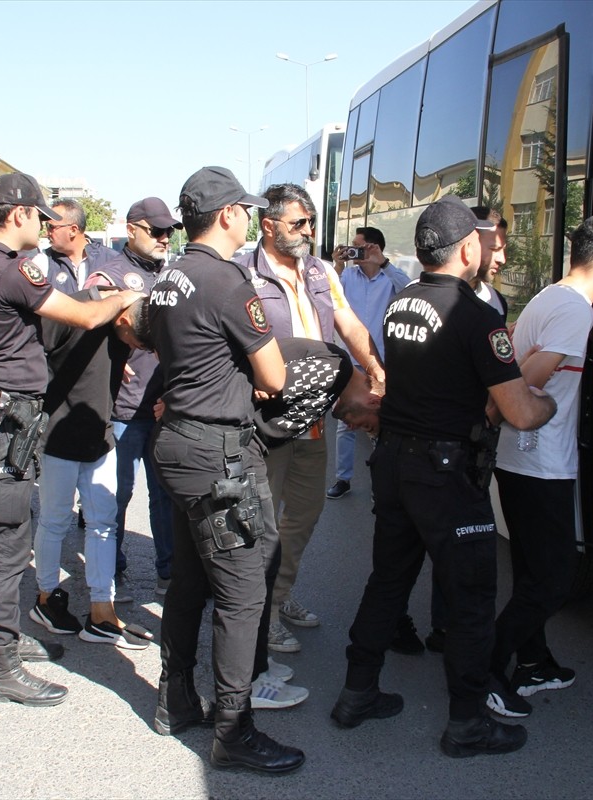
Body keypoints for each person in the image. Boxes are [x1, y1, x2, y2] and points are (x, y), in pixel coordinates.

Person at [331, 196, 557, 758]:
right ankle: (467, 723)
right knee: (471, 598)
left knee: (389, 580)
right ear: (465, 249)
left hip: (396, 463)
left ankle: (356, 693)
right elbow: (521, 411)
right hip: (447, 476)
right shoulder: (479, 318)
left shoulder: (401, 303)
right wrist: (546, 402)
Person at [0, 172, 140, 705]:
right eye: (39, 216)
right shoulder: (9, 270)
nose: (44, 225)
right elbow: (82, 313)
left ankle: (7, 640)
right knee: (7, 541)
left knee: (9, 534)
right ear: (19, 215)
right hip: (3, 418)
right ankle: (0, 665)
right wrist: (121, 294)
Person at [148, 166, 303, 774]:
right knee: (243, 590)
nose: (249, 218)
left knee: (191, 577)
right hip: (217, 453)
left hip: (178, 443)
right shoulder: (228, 280)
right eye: (245, 209)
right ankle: (234, 730)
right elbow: (274, 377)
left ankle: (175, 696)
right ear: (228, 216)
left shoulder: (170, 277)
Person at [236, 183, 386, 663]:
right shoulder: (243, 273)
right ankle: (259, 617)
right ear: (268, 225)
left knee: (303, 517)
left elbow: (348, 322)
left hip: (313, 417)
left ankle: (278, 598)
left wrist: (375, 366)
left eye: (311, 223)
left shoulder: (320, 270)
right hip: (267, 423)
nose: (308, 232)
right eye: (298, 223)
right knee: (264, 525)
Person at [491, 216, 593, 702]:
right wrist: (504, 408)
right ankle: (486, 668)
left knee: (530, 571)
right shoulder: (576, 310)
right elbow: (529, 378)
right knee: (553, 579)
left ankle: (532, 663)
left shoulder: (548, 296)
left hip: (518, 459)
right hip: (541, 463)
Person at [28, 247, 151, 650]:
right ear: (120, 316)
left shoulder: (127, 330)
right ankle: (46, 598)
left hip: (100, 434)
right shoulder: (76, 309)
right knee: (55, 521)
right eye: (134, 338)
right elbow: (34, 353)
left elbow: (115, 357)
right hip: (59, 434)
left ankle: (102, 609)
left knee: (103, 523)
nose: (134, 347)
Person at [422, 206, 510, 654]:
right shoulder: (441, 301)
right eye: (494, 242)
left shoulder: (494, 302)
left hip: (474, 442)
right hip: (444, 447)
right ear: (468, 244)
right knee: (444, 542)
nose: (500, 254)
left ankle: (446, 625)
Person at [87, 198, 181, 600]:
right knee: (117, 495)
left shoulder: (175, 274)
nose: (164, 238)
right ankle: (113, 571)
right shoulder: (108, 274)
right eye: (156, 231)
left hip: (165, 406)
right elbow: (89, 328)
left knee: (166, 496)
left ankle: (169, 573)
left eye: (168, 232)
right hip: (125, 409)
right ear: (132, 230)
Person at [327, 226, 408, 500]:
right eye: (352, 246)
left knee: (381, 422)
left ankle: (381, 482)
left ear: (374, 247)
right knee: (346, 423)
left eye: (359, 247)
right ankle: (343, 478)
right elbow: (325, 296)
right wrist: (337, 266)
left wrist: (382, 263)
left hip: (382, 363)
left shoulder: (390, 277)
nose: (354, 251)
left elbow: (410, 290)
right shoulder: (347, 275)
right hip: (351, 361)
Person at [43, 198, 117, 292]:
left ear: (73, 230)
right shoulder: (43, 261)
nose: (46, 233)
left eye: (51, 227)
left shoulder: (112, 260)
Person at [469, 206, 509, 317]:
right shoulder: (422, 296)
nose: (502, 259)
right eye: (494, 249)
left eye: (503, 249)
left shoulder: (497, 303)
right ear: (468, 245)